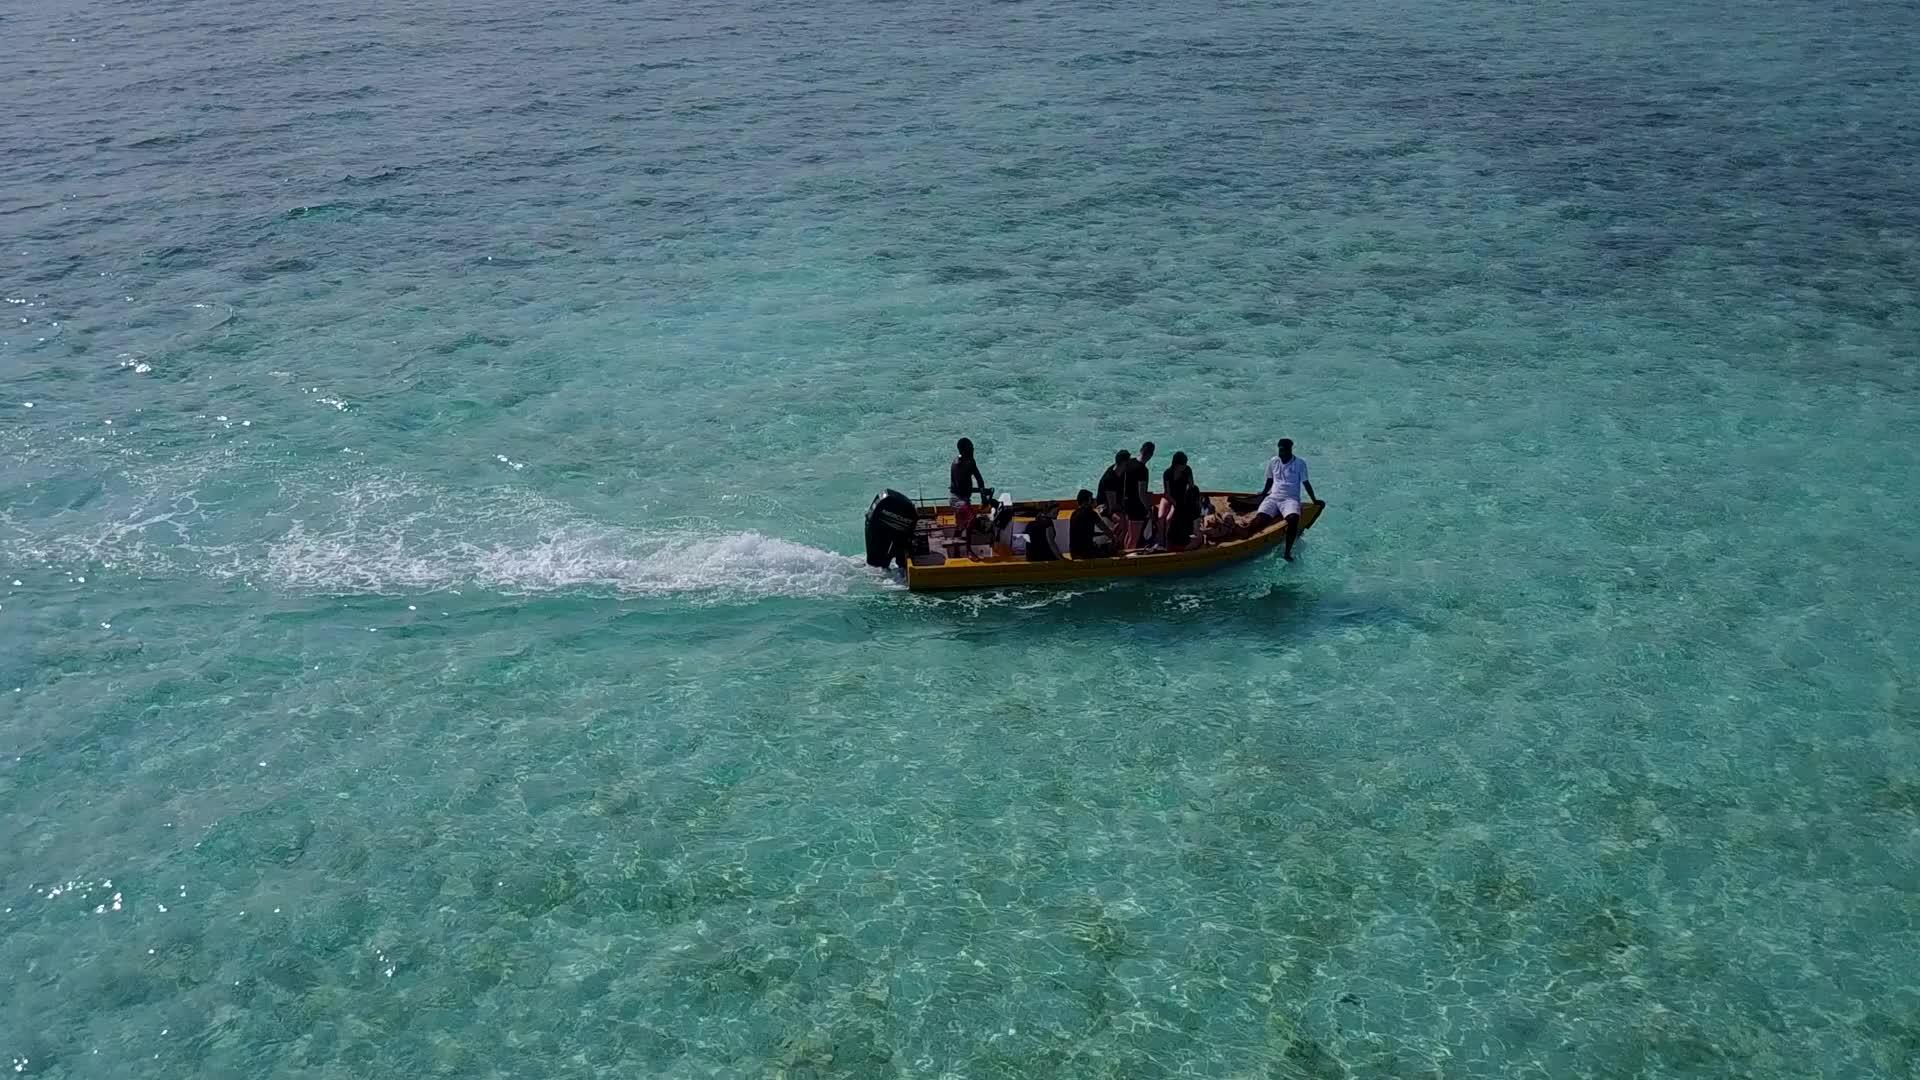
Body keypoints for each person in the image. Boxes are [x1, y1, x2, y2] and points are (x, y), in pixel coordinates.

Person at [1248, 437, 1323, 561]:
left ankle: (1287, 552)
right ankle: (1249, 542)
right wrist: (1263, 493)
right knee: (1260, 519)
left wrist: (1314, 500)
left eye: (1283, 450)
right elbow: (1270, 480)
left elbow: (1306, 483)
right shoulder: (1273, 461)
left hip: (1290, 499)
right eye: (1280, 450)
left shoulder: (1299, 463)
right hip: (1273, 497)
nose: (1281, 453)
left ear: (1290, 450)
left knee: (1293, 519)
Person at [949, 437, 989, 544]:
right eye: (970, 449)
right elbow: (962, 489)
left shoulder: (970, 461)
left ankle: (956, 539)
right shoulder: (958, 465)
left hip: (965, 497)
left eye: (973, 448)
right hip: (957, 499)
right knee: (971, 518)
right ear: (963, 451)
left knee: (961, 524)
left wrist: (983, 494)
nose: (973, 451)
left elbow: (979, 479)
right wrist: (981, 492)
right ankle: (968, 549)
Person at [1158, 450, 1194, 546]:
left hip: (1180, 499)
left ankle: (1167, 541)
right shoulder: (1167, 473)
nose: (1185, 466)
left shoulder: (1187, 470)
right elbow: (1167, 493)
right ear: (1176, 464)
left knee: (1169, 519)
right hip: (1168, 497)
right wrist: (1173, 502)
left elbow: (1191, 486)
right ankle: (1161, 540)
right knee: (1161, 517)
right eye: (1183, 464)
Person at [1069, 489, 1117, 559]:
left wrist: (1102, 534)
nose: (1093, 500)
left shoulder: (1074, 514)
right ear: (1087, 501)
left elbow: (1084, 533)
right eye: (1091, 499)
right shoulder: (1091, 513)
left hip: (1074, 552)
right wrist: (1114, 537)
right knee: (1111, 548)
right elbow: (1106, 530)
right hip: (1087, 553)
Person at [1124, 442, 1154, 549]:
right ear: (1151, 455)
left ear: (1141, 450)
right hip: (1136, 506)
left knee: (1129, 534)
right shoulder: (1143, 470)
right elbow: (1142, 493)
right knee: (1134, 537)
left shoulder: (1129, 463)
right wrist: (1148, 508)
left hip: (1126, 503)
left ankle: (1126, 554)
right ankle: (1129, 561)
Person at [1095, 450, 1129, 521]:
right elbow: (1113, 506)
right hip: (1104, 506)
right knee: (1121, 519)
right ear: (1123, 463)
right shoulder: (1109, 479)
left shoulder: (1122, 472)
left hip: (1117, 502)